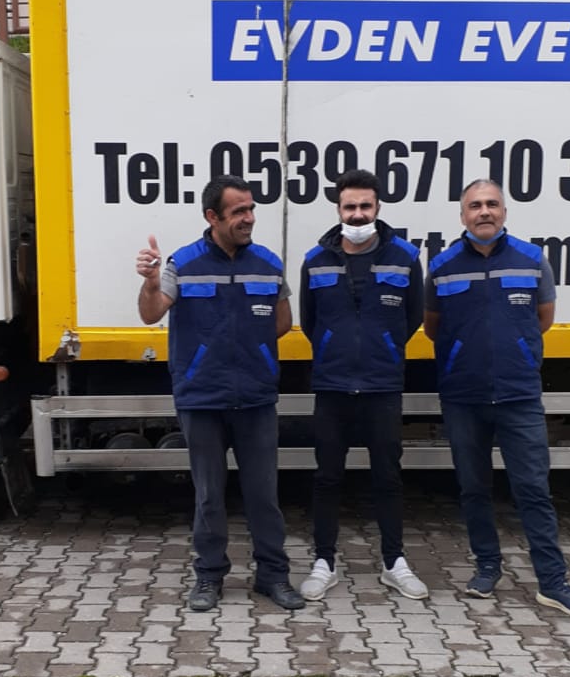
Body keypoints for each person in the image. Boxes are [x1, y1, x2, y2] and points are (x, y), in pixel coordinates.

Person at [423, 178, 570, 619]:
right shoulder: (442, 265)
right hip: (463, 396)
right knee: (473, 487)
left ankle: (552, 583)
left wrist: (514, 350)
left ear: (504, 211)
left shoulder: (531, 259)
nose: (484, 211)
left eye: (492, 204)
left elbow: (543, 318)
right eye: (475, 205)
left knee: (533, 489)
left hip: (519, 395)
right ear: (462, 216)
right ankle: (487, 567)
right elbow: (433, 327)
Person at [136, 174, 305, 614]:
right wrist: (151, 282)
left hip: (256, 399)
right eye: (238, 211)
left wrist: (250, 351)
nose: (249, 218)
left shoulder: (268, 263)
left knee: (264, 495)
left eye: (251, 209)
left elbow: (282, 322)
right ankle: (209, 575)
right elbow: (151, 313)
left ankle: (273, 575)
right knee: (209, 495)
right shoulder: (184, 262)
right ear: (213, 216)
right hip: (202, 399)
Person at [299, 169, 428, 603]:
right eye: (350, 207)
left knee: (388, 477)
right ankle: (324, 562)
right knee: (326, 478)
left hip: (381, 386)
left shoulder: (405, 257)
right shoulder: (315, 260)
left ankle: (394, 562)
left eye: (365, 206)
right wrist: (335, 348)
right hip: (332, 386)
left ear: (377, 208)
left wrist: (383, 347)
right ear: (338, 209)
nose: (357, 214)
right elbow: (310, 321)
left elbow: (412, 317)